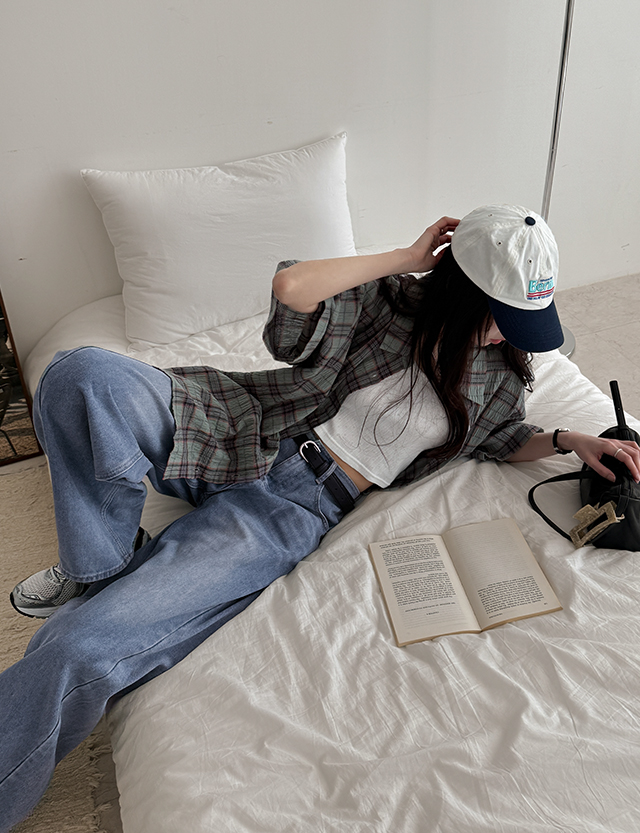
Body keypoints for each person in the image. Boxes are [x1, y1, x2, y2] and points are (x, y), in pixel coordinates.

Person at [1, 204, 639, 830]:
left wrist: (568, 440)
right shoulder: (383, 302)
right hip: (236, 422)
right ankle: (101, 563)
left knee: (78, 646)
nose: (507, 335)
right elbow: (292, 290)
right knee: (81, 373)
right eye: (503, 318)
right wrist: (407, 257)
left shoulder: (498, 377)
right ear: (462, 291)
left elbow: (501, 438)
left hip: (288, 507)